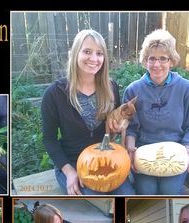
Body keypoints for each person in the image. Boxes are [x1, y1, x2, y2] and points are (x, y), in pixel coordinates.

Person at [41, 29, 135, 195]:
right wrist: (69, 172)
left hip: (108, 159)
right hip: (73, 162)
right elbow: (49, 139)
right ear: (75, 53)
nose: (94, 59)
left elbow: (114, 128)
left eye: (99, 53)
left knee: (128, 198)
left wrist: (118, 125)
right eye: (87, 51)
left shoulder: (110, 87)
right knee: (105, 206)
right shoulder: (55, 93)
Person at [123, 29, 189, 195]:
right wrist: (130, 150)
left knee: (169, 190)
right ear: (145, 60)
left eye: (163, 58)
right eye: (152, 58)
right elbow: (130, 127)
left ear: (171, 61)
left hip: (176, 151)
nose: (157, 64)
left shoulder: (186, 88)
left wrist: (187, 151)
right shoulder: (133, 90)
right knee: (146, 191)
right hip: (143, 152)